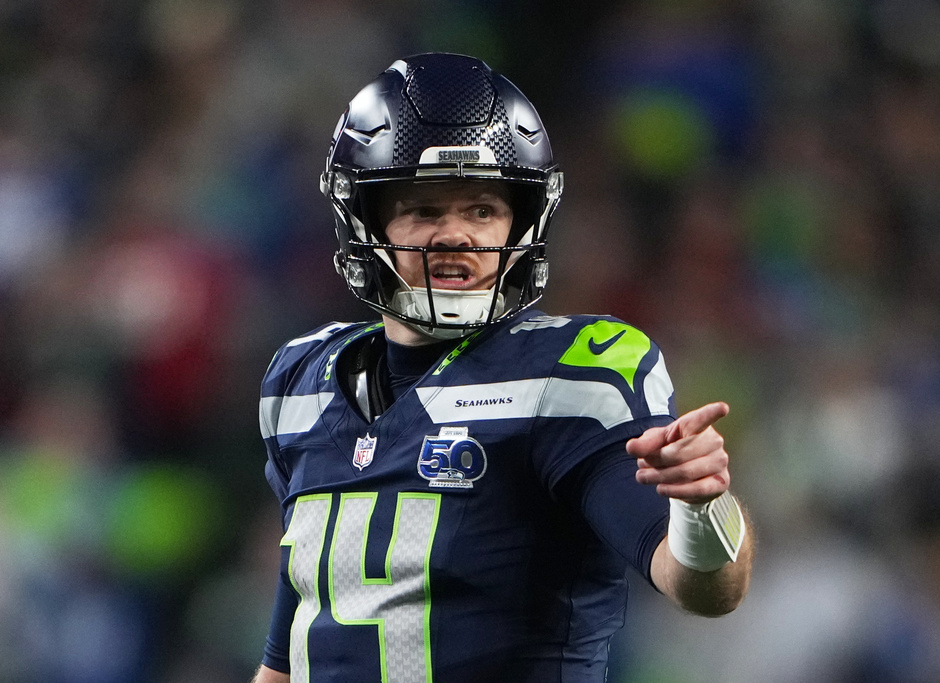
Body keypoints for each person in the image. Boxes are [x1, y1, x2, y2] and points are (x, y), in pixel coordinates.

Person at [251, 52, 754, 683]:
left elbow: (704, 587)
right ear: (365, 222)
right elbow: (291, 654)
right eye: (424, 210)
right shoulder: (301, 383)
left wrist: (701, 507)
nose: (455, 235)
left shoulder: (568, 375)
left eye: (482, 210)